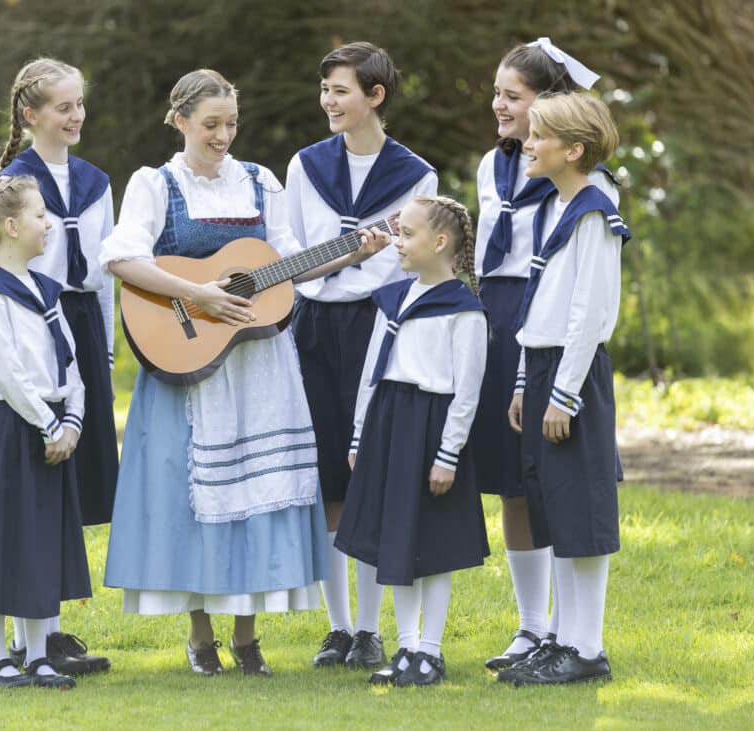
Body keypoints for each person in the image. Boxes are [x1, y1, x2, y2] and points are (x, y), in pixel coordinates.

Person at [101, 69, 391, 677]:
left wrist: (350, 251)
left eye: (231, 123)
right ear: (179, 121)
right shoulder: (154, 184)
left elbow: (285, 263)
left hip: (259, 361)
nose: (223, 135)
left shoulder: (260, 181)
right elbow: (123, 257)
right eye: (211, 124)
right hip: (189, 360)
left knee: (255, 497)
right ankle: (200, 634)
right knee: (192, 499)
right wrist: (198, 295)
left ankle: (247, 634)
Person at [467, 38, 620, 671]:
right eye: (497, 94)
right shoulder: (506, 170)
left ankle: (576, 638)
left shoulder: (586, 197)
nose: (502, 108)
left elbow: (587, 300)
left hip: (560, 344)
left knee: (569, 493)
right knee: (523, 482)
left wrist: (558, 386)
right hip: (514, 334)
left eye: (515, 97)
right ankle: (540, 632)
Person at [285, 41, 438, 670]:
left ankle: (372, 631)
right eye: (324, 90)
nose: (328, 101)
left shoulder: (416, 176)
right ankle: (339, 628)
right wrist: (336, 261)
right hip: (312, 325)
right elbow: (290, 248)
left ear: (374, 96)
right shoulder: (304, 165)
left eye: (340, 91)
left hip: (380, 325)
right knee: (325, 477)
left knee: (368, 469)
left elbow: (416, 257)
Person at [501, 92, 629, 685]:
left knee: (583, 512)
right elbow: (542, 306)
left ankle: (587, 648)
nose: (527, 142)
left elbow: (588, 310)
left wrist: (565, 394)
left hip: (573, 375)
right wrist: (529, 381)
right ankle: (562, 639)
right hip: (545, 366)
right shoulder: (555, 205)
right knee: (556, 512)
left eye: (539, 135)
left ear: (573, 150)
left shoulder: (595, 212)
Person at [335, 196, 488, 687]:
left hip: (432, 427)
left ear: (439, 243)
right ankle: (405, 648)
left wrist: (449, 454)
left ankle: (432, 651)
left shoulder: (464, 310)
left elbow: (467, 390)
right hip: (390, 423)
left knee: (433, 543)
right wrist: (361, 433)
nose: (396, 243)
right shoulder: (391, 299)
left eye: (407, 235)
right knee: (394, 538)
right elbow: (370, 374)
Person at [0, 174, 92, 689]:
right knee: (0, 541)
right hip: (12, 428)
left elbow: (70, 363)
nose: (48, 223)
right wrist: (50, 423)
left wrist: (72, 420)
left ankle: (37, 655)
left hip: (53, 431)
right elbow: (6, 370)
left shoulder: (46, 289)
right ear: (11, 226)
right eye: (38, 215)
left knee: (38, 544)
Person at [0, 57, 114, 676]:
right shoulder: (15, 182)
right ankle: (26, 632)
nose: (75, 117)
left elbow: (106, 273)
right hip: (35, 324)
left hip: (83, 330)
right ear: (30, 114)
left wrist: (108, 353)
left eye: (79, 105)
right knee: (37, 473)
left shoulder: (96, 181)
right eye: (62, 107)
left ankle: (53, 631)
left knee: (70, 481)